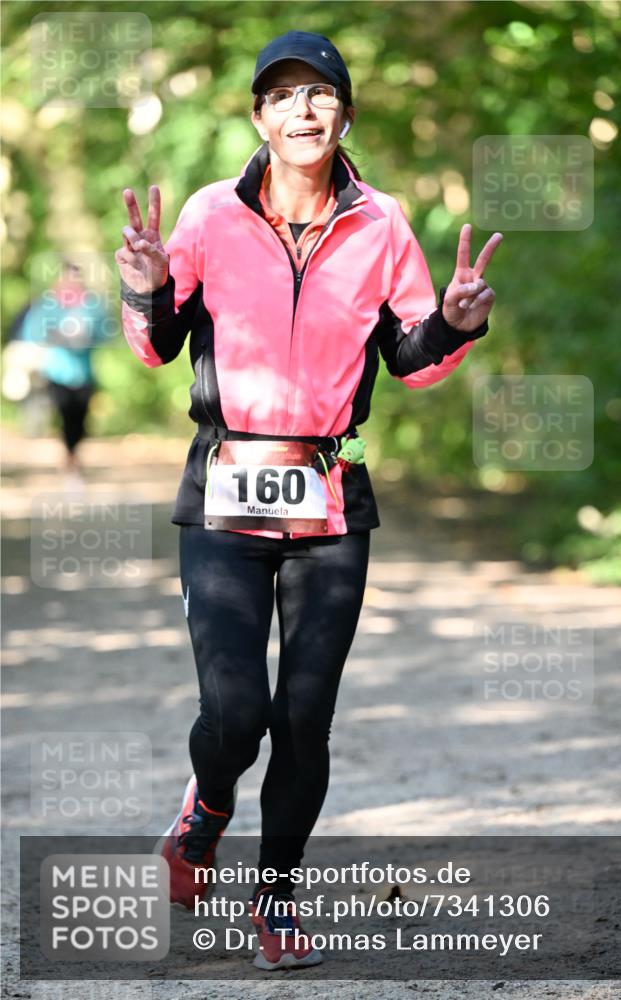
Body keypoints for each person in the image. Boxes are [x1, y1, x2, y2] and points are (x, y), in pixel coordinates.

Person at [115, 30, 502, 971]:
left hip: (330, 498)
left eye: (319, 93)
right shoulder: (210, 214)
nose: (302, 109)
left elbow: (408, 357)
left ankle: (277, 899)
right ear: (259, 117)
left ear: (345, 115)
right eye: (282, 95)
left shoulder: (382, 223)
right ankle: (207, 809)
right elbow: (157, 347)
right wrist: (148, 290)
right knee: (235, 712)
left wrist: (453, 327)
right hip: (225, 489)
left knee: (303, 717)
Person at [18, 260, 113, 485]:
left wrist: (87, 336)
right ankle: (70, 460)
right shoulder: (48, 305)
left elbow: (106, 332)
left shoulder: (92, 305)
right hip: (57, 371)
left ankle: (74, 454)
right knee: (64, 415)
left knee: (80, 419)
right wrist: (55, 335)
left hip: (84, 373)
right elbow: (31, 332)